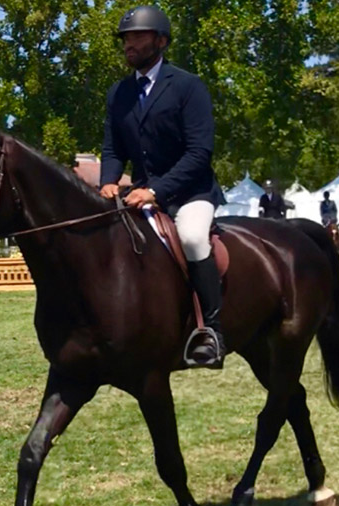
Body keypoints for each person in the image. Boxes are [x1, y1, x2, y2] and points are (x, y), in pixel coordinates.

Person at [99, 5, 227, 369]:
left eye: (137, 37)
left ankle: (212, 334)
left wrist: (156, 191)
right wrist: (109, 180)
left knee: (190, 238)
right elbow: (112, 149)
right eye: (125, 38)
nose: (129, 44)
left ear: (161, 41)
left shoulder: (188, 86)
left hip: (190, 193)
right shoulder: (119, 93)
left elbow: (199, 152)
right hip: (140, 194)